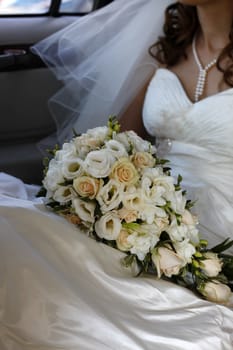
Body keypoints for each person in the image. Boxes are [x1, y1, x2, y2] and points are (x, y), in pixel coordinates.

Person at [0, 1, 233, 349]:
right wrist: (107, 188)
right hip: (142, 211)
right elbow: (122, 141)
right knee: (15, 230)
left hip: (218, 223)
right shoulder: (168, 48)